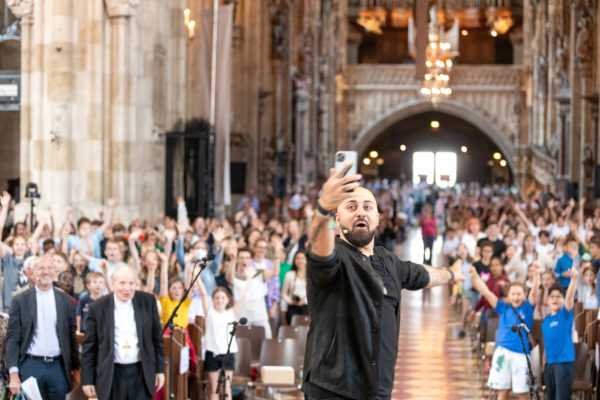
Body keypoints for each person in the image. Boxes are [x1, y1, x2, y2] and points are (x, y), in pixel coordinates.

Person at [302, 165, 465, 400]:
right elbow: (319, 253)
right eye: (351, 207)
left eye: (368, 207)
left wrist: (450, 274)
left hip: (378, 386)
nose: (361, 212)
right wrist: (323, 208)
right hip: (334, 388)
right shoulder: (335, 257)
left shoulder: (388, 259)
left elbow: (421, 274)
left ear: (378, 218)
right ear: (337, 221)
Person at [81, 266, 165, 400]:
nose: (127, 288)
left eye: (131, 283)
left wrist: (160, 370)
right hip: (112, 374)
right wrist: (87, 380)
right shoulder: (97, 307)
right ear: (113, 283)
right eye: (122, 283)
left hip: (141, 372)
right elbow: (89, 347)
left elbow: (157, 339)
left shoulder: (148, 301)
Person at [6, 255, 80, 399]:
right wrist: (13, 373)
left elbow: (72, 337)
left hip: (58, 367)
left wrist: (76, 370)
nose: (46, 272)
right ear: (32, 273)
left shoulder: (66, 301)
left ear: (54, 272)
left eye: (49, 268)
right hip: (30, 365)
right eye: (41, 268)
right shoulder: (20, 300)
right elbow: (12, 338)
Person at [469, 261, 541, 400]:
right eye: (513, 294)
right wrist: (475, 276)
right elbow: (486, 292)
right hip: (503, 353)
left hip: (521, 355)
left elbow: (534, 293)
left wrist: (537, 273)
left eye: (519, 294)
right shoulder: (503, 307)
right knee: (502, 391)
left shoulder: (527, 307)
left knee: (523, 393)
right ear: (508, 296)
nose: (516, 297)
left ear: (524, 295)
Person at [197, 269, 250, 400]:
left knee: (226, 389)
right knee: (214, 390)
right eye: (217, 298)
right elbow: (203, 294)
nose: (220, 300)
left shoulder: (231, 313)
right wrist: (198, 275)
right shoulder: (209, 313)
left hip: (227, 355)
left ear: (227, 300)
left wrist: (248, 279)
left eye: (222, 298)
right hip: (212, 354)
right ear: (213, 300)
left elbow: (242, 297)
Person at [542, 270, 577, 400]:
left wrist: (574, 279)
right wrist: (544, 363)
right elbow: (547, 344)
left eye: (558, 296)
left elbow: (569, 297)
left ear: (563, 300)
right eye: (552, 296)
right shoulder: (546, 321)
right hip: (549, 365)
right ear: (547, 300)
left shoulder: (565, 315)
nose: (555, 299)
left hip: (563, 364)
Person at [281, 251, 309, 325]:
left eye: (302, 258)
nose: (300, 261)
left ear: (306, 260)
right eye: (297, 258)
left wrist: (305, 301)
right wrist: (291, 301)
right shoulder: (289, 275)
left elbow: (315, 294)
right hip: (293, 307)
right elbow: (283, 293)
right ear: (294, 260)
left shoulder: (311, 276)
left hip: (307, 307)